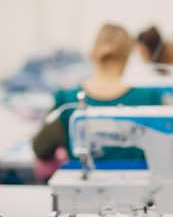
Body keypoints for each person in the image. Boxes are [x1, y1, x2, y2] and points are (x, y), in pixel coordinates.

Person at [32, 24, 163, 175]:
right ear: (127, 56)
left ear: (93, 53)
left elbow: (41, 149)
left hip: (84, 195)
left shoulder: (67, 100)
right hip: (139, 195)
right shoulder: (150, 98)